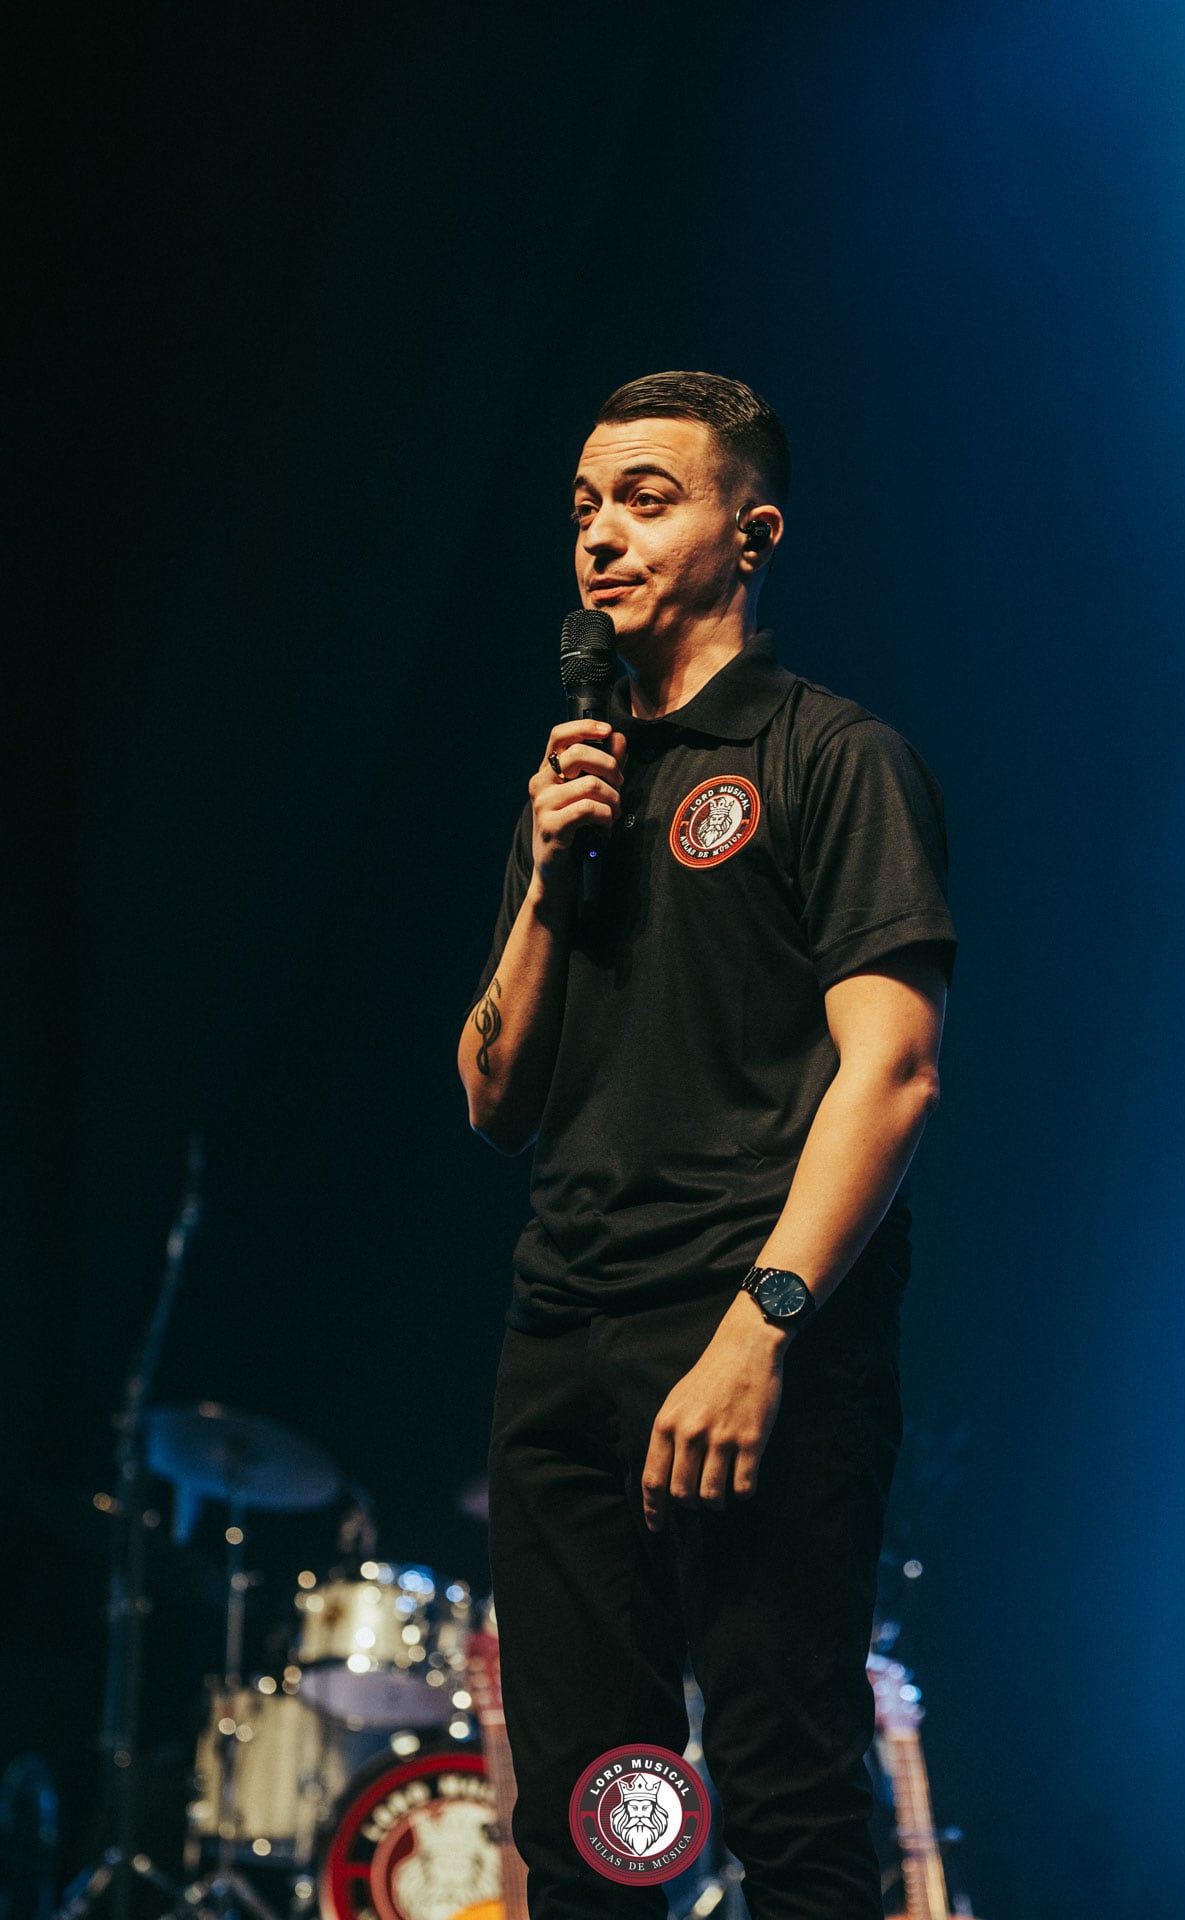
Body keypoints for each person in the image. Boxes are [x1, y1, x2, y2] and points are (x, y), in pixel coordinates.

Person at [457, 371, 957, 1920]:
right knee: (590, 1824)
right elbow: (490, 1092)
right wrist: (551, 878)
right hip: (565, 1344)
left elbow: (895, 1075)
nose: (601, 536)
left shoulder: (832, 756)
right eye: (586, 507)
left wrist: (760, 1333)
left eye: (647, 498)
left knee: (785, 1794)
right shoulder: (572, 785)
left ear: (755, 532)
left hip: (749, 1339)